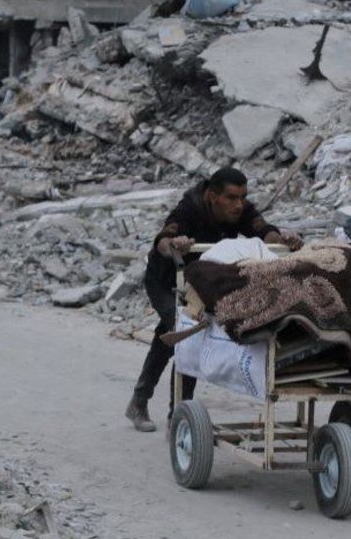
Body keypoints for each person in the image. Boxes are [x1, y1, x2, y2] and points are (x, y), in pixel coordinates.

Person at [125, 167, 303, 432]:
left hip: (201, 284)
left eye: (242, 197)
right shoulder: (189, 208)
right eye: (231, 198)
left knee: (171, 334)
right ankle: (175, 414)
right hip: (166, 280)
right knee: (186, 335)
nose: (238, 204)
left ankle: (146, 403)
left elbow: (263, 231)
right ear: (212, 196)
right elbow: (163, 240)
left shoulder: (241, 210)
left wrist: (284, 239)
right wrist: (174, 243)